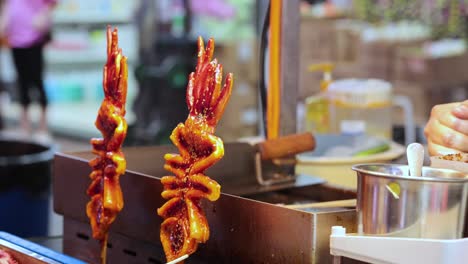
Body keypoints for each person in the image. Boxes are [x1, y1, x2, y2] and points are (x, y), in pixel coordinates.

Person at [0, 0, 56, 137]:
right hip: (15, 42)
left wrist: (43, 16)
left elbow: (52, 3)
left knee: (37, 81)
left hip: (33, 40)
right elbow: (8, 10)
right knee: (21, 83)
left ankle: (43, 127)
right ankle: (25, 126)